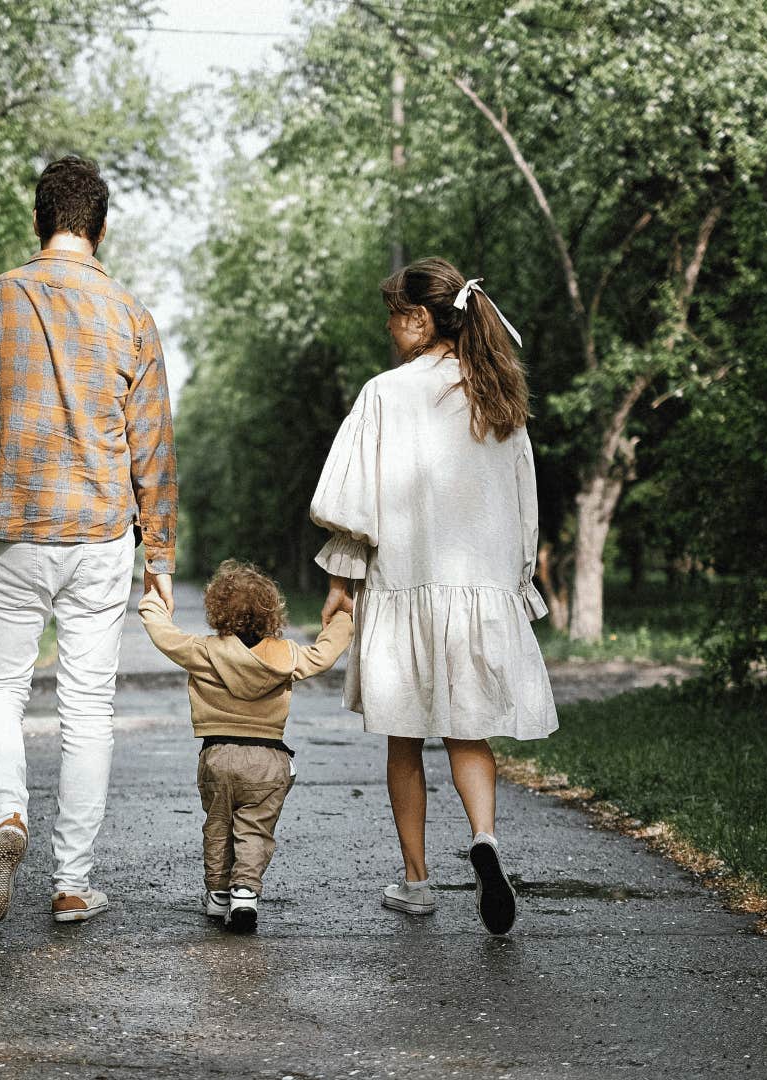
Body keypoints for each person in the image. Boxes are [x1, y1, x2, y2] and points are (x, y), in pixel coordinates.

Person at [0, 155, 177, 925]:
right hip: (100, 533)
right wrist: (158, 557)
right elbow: (154, 448)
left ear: (39, 221)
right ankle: (71, 883)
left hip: (6, 530)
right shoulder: (130, 315)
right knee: (87, 707)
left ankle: (8, 816)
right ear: (99, 229)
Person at [309, 256, 555, 936]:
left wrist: (340, 584)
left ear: (418, 320)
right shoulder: (498, 394)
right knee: (467, 731)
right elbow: (524, 503)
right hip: (477, 587)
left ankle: (417, 881)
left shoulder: (387, 394)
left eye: (394, 316)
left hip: (403, 585)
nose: (389, 330)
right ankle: (484, 838)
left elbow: (353, 504)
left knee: (404, 738)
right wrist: (517, 582)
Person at [139, 560, 352, 933]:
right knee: (254, 828)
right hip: (268, 758)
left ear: (216, 611)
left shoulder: (204, 651)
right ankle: (244, 894)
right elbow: (324, 654)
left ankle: (218, 892)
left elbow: (163, 635)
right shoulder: (285, 656)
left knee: (218, 824)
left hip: (217, 755)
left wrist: (153, 600)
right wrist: (343, 619)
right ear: (273, 613)